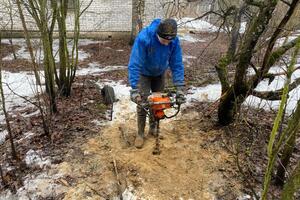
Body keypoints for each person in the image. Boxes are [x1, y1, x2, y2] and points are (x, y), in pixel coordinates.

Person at [128, 18, 185, 149]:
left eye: (168, 41)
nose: (166, 44)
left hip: (159, 73)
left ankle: (153, 128)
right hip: (144, 73)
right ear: (157, 35)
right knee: (143, 103)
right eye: (164, 40)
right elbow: (135, 63)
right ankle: (140, 134)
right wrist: (134, 87)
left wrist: (180, 87)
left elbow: (177, 64)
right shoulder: (144, 38)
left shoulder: (174, 41)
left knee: (158, 102)